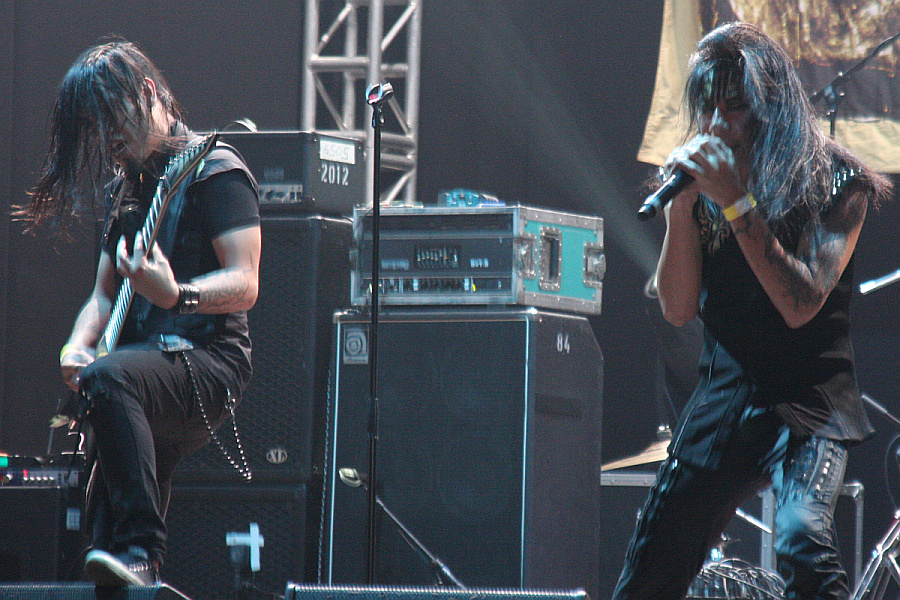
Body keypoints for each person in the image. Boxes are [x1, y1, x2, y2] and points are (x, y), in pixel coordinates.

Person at [614, 22, 891, 600]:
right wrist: (682, 208)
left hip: (807, 401)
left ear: (774, 109)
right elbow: (677, 309)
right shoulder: (702, 191)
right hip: (726, 397)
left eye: (735, 108)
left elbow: (800, 304)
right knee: (654, 557)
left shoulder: (839, 183)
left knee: (802, 538)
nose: (718, 125)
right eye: (707, 108)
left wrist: (736, 202)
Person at [18, 40, 261, 586]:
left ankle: (144, 550)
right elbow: (103, 297)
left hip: (210, 360)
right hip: (146, 362)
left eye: (113, 119)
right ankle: (123, 567)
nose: (107, 137)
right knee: (99, 541)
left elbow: (246, 282)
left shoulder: (216, 169)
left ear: (148, 92)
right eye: (95, 127)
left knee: (111, 380)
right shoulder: (126, 192)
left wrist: (177, 295)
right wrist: (77, 346)